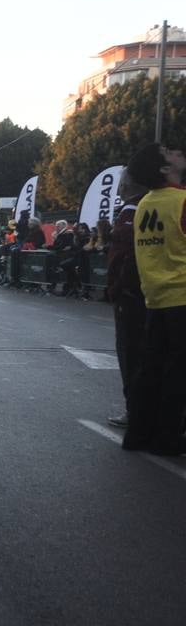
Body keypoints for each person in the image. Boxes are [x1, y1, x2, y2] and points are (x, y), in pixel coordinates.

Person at [120, 142, 186, 457]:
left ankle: (138, 432)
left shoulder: (144, 204)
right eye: (171, 153)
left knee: (151, 370)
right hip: (183, 295)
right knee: (176, 373)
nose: (178, 153)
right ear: (163, 168)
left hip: (156, 298)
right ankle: (168, 437)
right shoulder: (182, 201)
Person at [105, 172, 148, 427]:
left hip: (134, 294)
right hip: (153, 291)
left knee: (131, 353)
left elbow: (126, 254)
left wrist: (118, 287)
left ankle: (137, 410)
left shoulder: (131, 211)